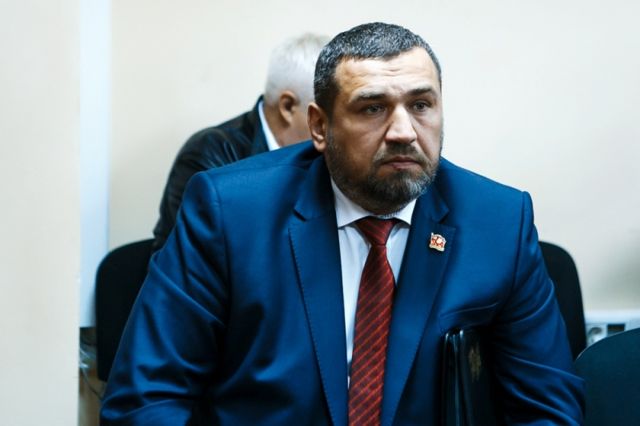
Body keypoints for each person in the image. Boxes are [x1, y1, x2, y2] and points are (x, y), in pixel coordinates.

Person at [102, 22, 585, 425]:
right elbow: (146, 399)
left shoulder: (498, 222)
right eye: (373, 108)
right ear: (319, 126)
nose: (403, 131)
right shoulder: (230, 211)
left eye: (421, 105)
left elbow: (547, 410)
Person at [152, 33, 328, 251]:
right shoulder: (210, 155)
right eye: (324, 116)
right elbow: (190, 261)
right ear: (288, 107)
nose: (333, 128)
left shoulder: (325, 158)